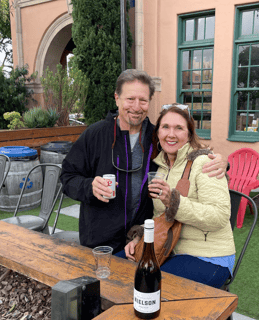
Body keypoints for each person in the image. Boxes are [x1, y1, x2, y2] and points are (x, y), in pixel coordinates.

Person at [60, 69, 228, 254]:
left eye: (143, 100)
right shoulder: (95, 134)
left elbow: (190, 151)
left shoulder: (158, 136)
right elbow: (67, 176)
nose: (136, 106)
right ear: (117, 98)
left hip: (142, 239)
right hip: (100, 239)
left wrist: (221, 162)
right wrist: (88, 186)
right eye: (130, 99)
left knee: (139, 283)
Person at [122, 103, 235, 288]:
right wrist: (139, 238)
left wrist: (174, 202)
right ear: (158, 133)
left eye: (179, 128)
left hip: (209, 256)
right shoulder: (160, 169)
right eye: (165, 127)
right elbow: (159, 218)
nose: (171, 134)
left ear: (189, 134)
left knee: (149, 284)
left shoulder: (205, 163)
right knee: (118, 267)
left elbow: (220, 216)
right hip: (170, 251)